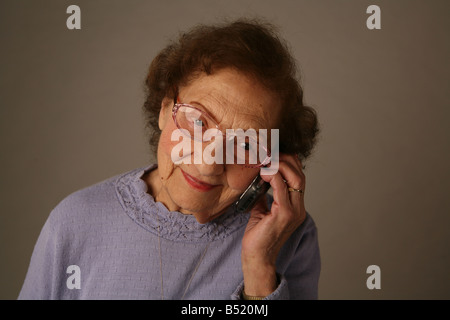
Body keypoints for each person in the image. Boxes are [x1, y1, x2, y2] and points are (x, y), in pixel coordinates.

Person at [18, 18, 320, 300]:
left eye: (245, 145)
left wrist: (259, 269)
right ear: (165, 108)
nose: (208, 164)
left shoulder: (289, 235)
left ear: (272, 162)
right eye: (197, 122)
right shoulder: (75, 221)